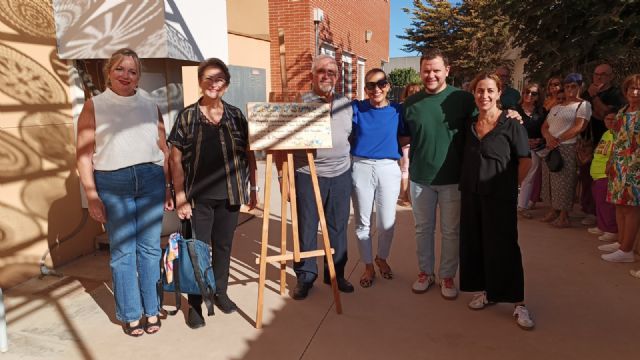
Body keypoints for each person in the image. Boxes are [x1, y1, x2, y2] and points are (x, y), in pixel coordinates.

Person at [76, 48, 173, 336]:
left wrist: (168, 186)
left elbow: (163, 149)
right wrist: (92, 195)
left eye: (132, 71)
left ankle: (152, 308)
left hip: (150, 180)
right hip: (113, 183)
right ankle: (131, 313)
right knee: (123, 251)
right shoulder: (95, 106)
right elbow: (83, 155)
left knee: (150, 248)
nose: (126, 76)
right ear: (108, 72)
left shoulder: (150, 105)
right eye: (120, 69)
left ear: (139, 76)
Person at [168, 58, 257, 328]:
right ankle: (195, 303)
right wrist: (180, 196)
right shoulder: (187, 116)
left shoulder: (236, 116)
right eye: (208, 78)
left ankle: (219, 291)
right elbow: (175, 160)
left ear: (226, 85)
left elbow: (249, 154)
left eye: (218, 79)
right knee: (197, 251)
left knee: (223, 247)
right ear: (199, 82)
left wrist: (254, 187)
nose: (213, 84)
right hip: (197, 199)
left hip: (230, 195)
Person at [459, 73, 533, 330]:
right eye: (480, 90)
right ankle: (490, 292)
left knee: (505, 247)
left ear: (499, 93)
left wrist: (512, 185)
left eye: (490, 90)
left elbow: (525, 160)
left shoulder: (512, 124)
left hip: (500, 196)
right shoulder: (469, 124)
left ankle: (519, 302)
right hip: (471, 194)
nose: (485, 96)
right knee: (478, 244)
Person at [401, 49, 477, 300]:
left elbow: (487, 120)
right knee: (423, 229)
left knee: (450, 231)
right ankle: (425, 273)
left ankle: (447, 276)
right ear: (420, 71)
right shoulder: (411, 104)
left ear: (447, 70)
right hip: (421, 178)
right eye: (426, 70)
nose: (430, 75)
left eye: (436, 70)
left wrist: (512, 114)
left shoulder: (463, 100)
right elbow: (401, 134)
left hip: (453, 179)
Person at [291, 55, 354, 300]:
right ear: (312, 75)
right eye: (321, 71)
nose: (326, 76)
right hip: (308, 174)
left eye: (331, 72)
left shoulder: (346, 104)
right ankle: (306, 276)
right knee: (306, 228)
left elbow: (352, 137)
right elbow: (282, 144)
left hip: (340, 174)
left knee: (338, 227)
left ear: (337, 77)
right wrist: (281, 179)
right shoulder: (299, 104)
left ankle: (335, 273)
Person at [351, 68, 404, 288]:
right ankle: (368, 266)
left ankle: (381, 257)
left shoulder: (398, 111)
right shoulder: (357, 107)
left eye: (381, 84)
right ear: (365, 88)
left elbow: (408, 134)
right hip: (360, 165)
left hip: (388, 167)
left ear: (388, 86)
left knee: (387, 222)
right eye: (371, 85)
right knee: (363, 222)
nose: (376, 89)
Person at [540, 73, 592, 228]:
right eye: (567, 86)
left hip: (567, 146)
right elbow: (545, 126)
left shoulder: (583, 105)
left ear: (580, 87)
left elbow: (579, 127)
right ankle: (553, 210)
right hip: (551, 146)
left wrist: (557, 140)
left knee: (565, 181)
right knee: (550, 180)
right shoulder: (556, 106)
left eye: (573, 86)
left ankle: (564, 216)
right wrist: (549, 138)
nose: (570, 89)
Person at [599, 74, 640, 263]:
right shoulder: (623, 110)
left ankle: (627, 250)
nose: (635, 92)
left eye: (638, 89)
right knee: (619, 204)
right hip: (619, 164)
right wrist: (610, 161)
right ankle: (621, 242)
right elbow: (617, 137)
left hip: (636, 167)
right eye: (632, 88)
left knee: (631, 208)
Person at [579, 64, 626, 226]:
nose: (598, 77)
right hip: (587, 143)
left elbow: (605, 114)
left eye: (603, 74)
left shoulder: (616, 94)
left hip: (608, 142)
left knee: (604, 182)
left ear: (611, 76)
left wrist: (595, 98)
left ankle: (605, 219)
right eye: (596, 74)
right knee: (587, 177)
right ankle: (590, 211)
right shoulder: (586, 93)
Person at [515, 82, 546, 218]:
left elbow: (546, 129)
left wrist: (540, 140)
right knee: (513, 176)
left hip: (534, 149)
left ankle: (522, 207)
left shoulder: (542, 112)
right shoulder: (514, 109)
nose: (529, 95)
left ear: (538, 96)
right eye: (526, 92)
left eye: (533, 93)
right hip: (515, 148)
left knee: (529, 178)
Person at [587, 112, 618, 242]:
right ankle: (602, 225)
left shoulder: (617, 135)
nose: (610, 121)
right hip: (596, 174)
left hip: (606, 174)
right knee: (599, 202)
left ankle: (610, 230)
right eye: (607, 119)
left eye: (613, 119)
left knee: (606, 205)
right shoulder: (606, 134)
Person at [398, 83, 422, 206]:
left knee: (410, 168)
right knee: (405, 168)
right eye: (411, 91)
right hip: (406, 142)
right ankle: (404, 195)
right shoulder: (402, 107)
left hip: (416, 142)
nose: (414, 94)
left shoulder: (422, 107)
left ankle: (409, 195)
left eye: (417, 91)